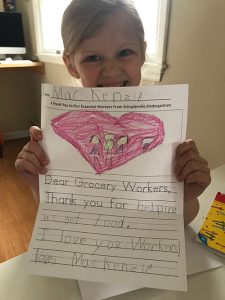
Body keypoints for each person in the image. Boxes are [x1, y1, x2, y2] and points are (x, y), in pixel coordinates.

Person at [15, 0, 211, 225]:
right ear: (71, 65)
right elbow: (56, 217)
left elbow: (183, 220)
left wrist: (186, 194)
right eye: (93, 58)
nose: (110, 70)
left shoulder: (159, 127)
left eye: (125, 52)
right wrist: (39, 182)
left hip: (146, 249)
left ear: (143, 53)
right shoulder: (62, 130)